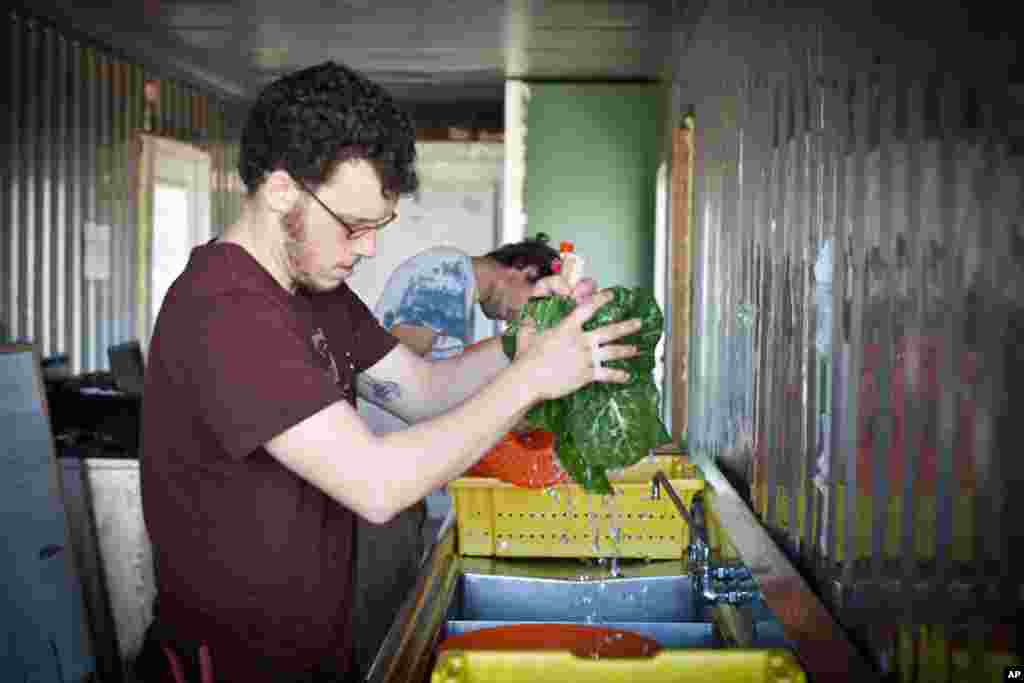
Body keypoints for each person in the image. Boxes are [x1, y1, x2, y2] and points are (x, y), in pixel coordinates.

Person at [138, 60, 641, 683]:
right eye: (353, 226)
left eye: (379, 227)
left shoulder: (314, 291)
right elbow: (376, 485)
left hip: (314, 650)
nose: (369, 248)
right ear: (281, 189)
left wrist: (523, 341)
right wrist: (534, 378)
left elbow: (424, 390)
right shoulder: (226, 310)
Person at [351, 235, 565, 676]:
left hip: (405, 470)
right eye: (531, 303)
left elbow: (440, 383)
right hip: (384, 467)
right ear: (523, 271)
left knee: (396, 601)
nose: (518, 317)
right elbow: (407, 372)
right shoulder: (449, 273)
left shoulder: (458, 287)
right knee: (382, 618)